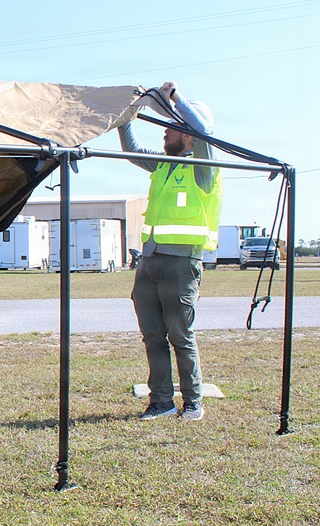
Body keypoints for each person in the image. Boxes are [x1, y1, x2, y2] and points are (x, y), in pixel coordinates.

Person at [119, 82, 220, 422]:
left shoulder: (203, 167)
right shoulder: (163, 164)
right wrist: (125, 117)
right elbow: (131, 151)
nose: (165, 132)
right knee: (152, 336)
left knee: (180, 335)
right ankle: (161, 401)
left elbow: (205, 131)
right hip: (149, 262)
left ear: (188, 136)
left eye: (172, 128)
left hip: (181, 264)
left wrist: (176, 99)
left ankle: (192, 402)